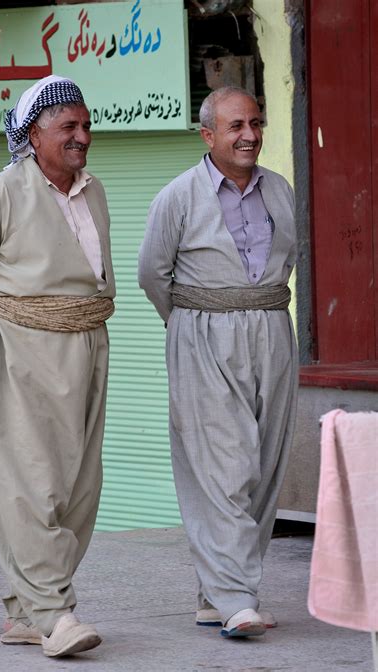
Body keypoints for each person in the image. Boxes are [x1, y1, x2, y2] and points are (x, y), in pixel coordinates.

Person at [0, 75, 116, 658]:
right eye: (68, 126)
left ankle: (24, 612)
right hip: (15, 351)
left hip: (86, 348)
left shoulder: (94, 193)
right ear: (34, 133)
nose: (81, 136)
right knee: (29, 486)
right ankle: (55, 614)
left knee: (77, 490)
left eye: (85, 125)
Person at [138, 86, 298, 639]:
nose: (249, 134)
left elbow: (289, 259)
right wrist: (189, 327)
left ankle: (215, 594)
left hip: (272, 330)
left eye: (255, 122)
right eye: (235, 125)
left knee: (264, 465)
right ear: (208, 136)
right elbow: (152, 274)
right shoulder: (177, 196)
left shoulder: (279, 189)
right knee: (223, 466)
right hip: (202, 333)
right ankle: (236, 598)